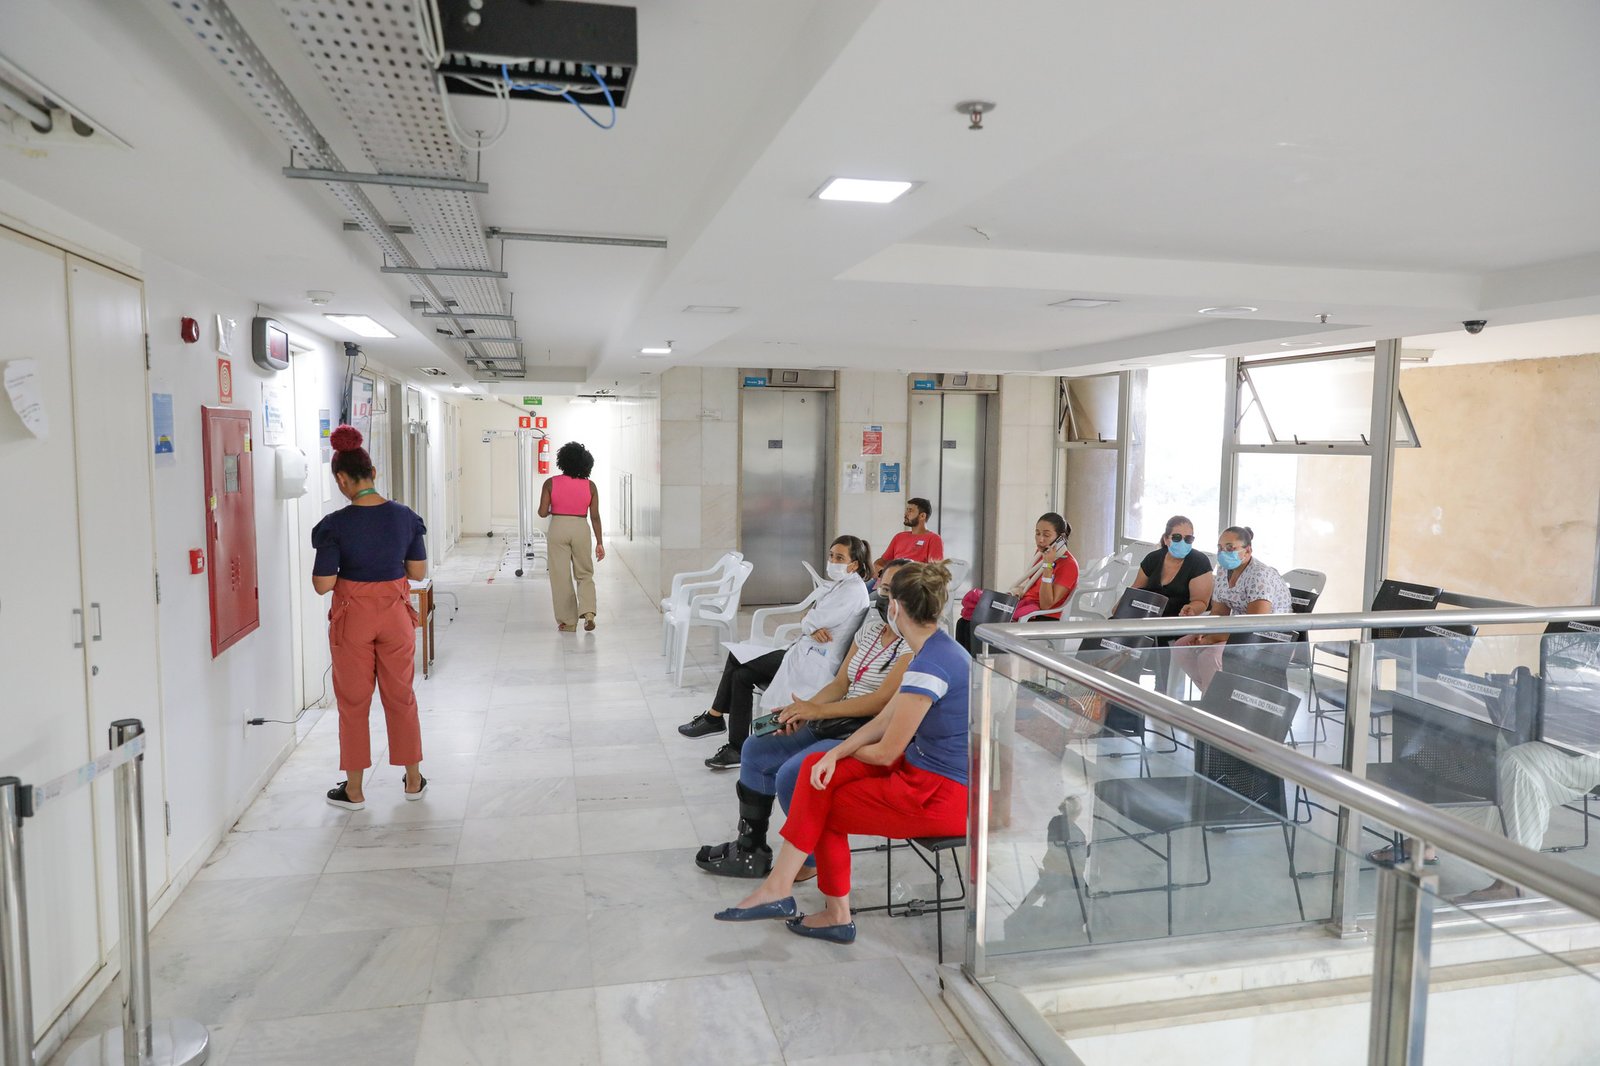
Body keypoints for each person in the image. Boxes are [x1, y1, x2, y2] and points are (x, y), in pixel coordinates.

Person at [713, 562, 969, 944]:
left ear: (896, 607)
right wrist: (834, 755)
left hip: (938, 795)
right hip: (922, 773)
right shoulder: (934, 650)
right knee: (815, 768)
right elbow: (882, 722)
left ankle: (828, 912)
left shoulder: (928, 666)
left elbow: (885, 753)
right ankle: (779, 890)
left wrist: (839, 753)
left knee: (824, 803)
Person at [695, 559, 915, 878]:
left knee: (794, 773)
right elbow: (841, 684)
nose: (884, 597)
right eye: (882, 588)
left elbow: (880, 702)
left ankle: (810, 859)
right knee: (756, 747)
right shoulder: (870, 630)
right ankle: (750, 848)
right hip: (836, 719)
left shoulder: (912, 644)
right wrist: (802, 709)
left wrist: (817, 712)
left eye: (892, 591)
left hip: (866, 732)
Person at [679, 535, 872, 770]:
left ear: (854, 564)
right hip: (805, 652)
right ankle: (736, 748)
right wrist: (810, 624)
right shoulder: (841, 585)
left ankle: (714, 717)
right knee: (741, 676)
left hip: (816, 665)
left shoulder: (852, 591)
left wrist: (809, 623)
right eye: (831, 556)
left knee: (736, 656)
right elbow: (809, 618)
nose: (832, 561)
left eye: (840, 558)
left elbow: (813, 618)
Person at [311, 426, 427, 811]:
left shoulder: (335, 524)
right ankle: (413, 780)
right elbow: (418, 571)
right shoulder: (405, 517)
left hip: (353, 618)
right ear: (373, 472)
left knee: (353, 703)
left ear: (341, 480)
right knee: (401, 697)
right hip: (395, 614)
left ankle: (355, 790)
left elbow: (323, 585)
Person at [1171, 525, 1292, 693]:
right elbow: (1219, 613)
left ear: (1247, 551)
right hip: (1237, 628)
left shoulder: (1260, 575)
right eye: (1220, 548)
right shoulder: (1223, 570)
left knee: (1210, 656)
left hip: (1267, 638)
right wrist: (1203, 632)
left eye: (1230, 548)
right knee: (1181, 648)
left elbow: (1254, 625)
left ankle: (1216, 700)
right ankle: (1216, 694)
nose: (1223, 553)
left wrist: (1212, 639)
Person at [955, 513, 1079, 653]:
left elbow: (1046, 604)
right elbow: (1029, 586)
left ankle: (980, 664)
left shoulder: (1068, 565)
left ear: (1061, 538)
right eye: (1037, 533)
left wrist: (1048, 567)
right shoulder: (1041, 554)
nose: (1040, 539)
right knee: (963, 623)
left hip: (1042, 616)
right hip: (1024, 606)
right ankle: (965, 664)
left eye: (1046, 535)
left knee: (977, 627)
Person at [538, 441, 604, 632]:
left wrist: (553, 508)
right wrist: (599, 542)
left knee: (560, 575)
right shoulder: (591, 486)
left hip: (558, 527)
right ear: (586, 464)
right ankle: (589, 612)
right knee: (585, 573)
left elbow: (542, 512)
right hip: (581, 527)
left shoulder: (550, 483)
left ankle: (568, 622)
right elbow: (595, 517)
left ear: (562, 461)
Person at [1132, 515, 1214, 621]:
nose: (1182, 543)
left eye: (1188, 539)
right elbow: (1135, 590)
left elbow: (1201, 601)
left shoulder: (1199, 562)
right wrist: (1120, 608)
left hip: (1177, 621)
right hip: (1146, 617)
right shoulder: (1153, 558)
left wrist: (1191, 609)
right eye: (1177, 537)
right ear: (1166, 539)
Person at [873, 498, 945, 575]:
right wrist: (883, 574)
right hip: (892, 579)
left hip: (913, 580)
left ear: (922, 516)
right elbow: (880, 562)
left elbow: (935, 570)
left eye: (910, 511)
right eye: (906, 510)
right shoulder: (899, 537)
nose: (905, 514)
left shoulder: (934, 538)